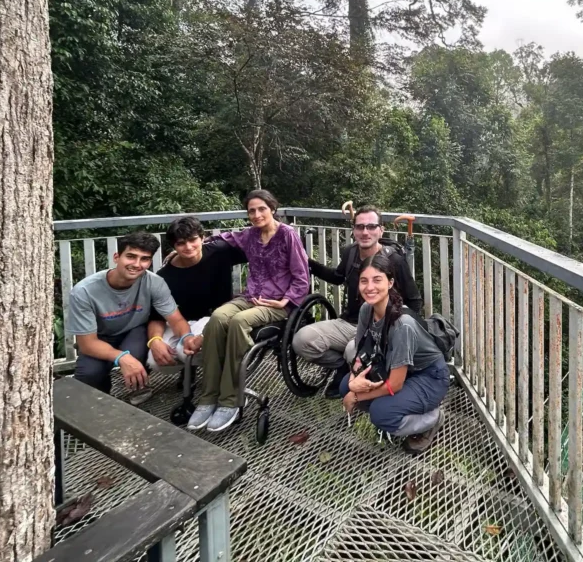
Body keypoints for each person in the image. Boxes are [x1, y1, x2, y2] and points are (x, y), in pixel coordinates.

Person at [189, 189, 310, 433]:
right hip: (251, 297)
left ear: (272, 208)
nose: (256, 215)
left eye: (261, 209)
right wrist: (195, 244)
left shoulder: (288, 235)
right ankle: (208, 396)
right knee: (218, 317)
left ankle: (230, 400)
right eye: (251, 211)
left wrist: (286, 301)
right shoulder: (250, 235)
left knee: (238, 322)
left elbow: (302, 276)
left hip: (276, 303)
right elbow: (224, 237)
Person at [294, 204, 422, 398]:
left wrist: (398, 332)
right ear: (353, 230)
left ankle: (357, 379)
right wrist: (307, 262)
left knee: (353, 350)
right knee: (302, 341)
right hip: (348, 323)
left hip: (381, 330)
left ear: (381, 230)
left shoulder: (394, 261)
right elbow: (337, 277)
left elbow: (414, 301)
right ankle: (342, 368)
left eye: (371, 227)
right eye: (360, 227)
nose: (365, 232)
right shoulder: (351, 252)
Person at [66, 232, 201, 396]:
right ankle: (101, 405)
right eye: (131, 256)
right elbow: (87, 344)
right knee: (89, 375)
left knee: (135, 353)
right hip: (98, 337)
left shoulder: (154, 283)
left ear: (150, 262)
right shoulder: (84, 291)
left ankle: (138, 388)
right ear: (117, 257)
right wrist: (122, 357)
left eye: (144, 259)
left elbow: (176, 319)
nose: (137, 264)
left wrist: (186, 337)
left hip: (134, 331)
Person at [341, 254, 449, 455]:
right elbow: (360, 351)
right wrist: (354, 380)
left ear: (390, 282)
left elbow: (395, 384)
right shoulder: (367, 308)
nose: (370, 287)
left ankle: (433, 418)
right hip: (396, 367)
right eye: (364, 281)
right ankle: (401, 405)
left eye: (377, 280)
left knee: (381, 414)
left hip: (428, 377)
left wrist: (355, 394)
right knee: (343, 385)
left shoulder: (402, 325)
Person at [145, 216, 247, 375]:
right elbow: (156, 316)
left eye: (193, 240)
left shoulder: (219, 252)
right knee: (154, 360)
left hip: (216, 317)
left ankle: (222, 376)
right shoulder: (165, 276)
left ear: (203, 238)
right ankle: (191, 369)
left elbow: (258, 249)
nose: (188, 247)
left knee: (184, 352)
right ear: (174, 247)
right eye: (181, 243)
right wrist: (155, 341)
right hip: (180, 322)